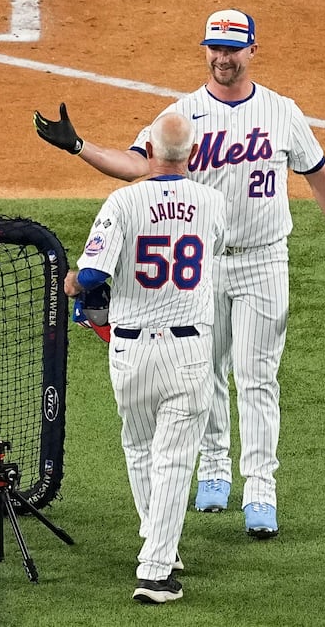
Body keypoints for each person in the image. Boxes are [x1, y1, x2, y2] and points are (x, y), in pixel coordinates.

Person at [36, 8, 325, 539]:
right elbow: (137, 163)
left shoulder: (282, 113)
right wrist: (79, 147)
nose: (222, 57)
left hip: (264, 258)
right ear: (205, 48)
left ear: (253, 50)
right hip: (205, 267)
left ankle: (260, 488)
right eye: (214, 47)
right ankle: (213, 469)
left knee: (258, 377)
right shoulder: (183, 114)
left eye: (233, 48)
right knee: (205, 371)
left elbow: (319, 173)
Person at [64, 112, 226, 604]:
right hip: (188, 351)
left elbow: (91, 277)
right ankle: (156, 570)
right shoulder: (213, 202)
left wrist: (72, 282)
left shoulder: (123, 200)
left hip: (130, 350)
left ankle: (160, 548)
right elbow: (210, 250)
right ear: (192, 156)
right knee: (175, 460)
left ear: (148, 153)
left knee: (139, 447)